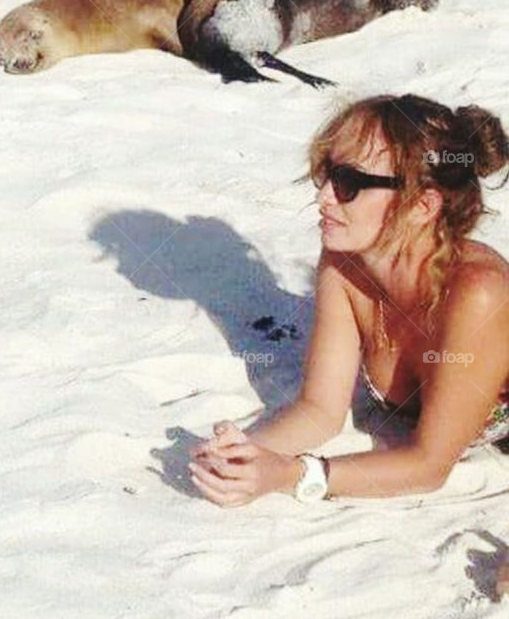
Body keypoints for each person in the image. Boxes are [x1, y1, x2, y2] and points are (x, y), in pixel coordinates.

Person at [189, 94, 509, 505]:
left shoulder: (477, 294)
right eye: (325, 175)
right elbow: (319, 410)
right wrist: (246, 454)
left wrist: (293, 475)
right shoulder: (344, 265)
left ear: (422, 205)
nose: (323, 197)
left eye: (348, 183)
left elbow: (430, 466)